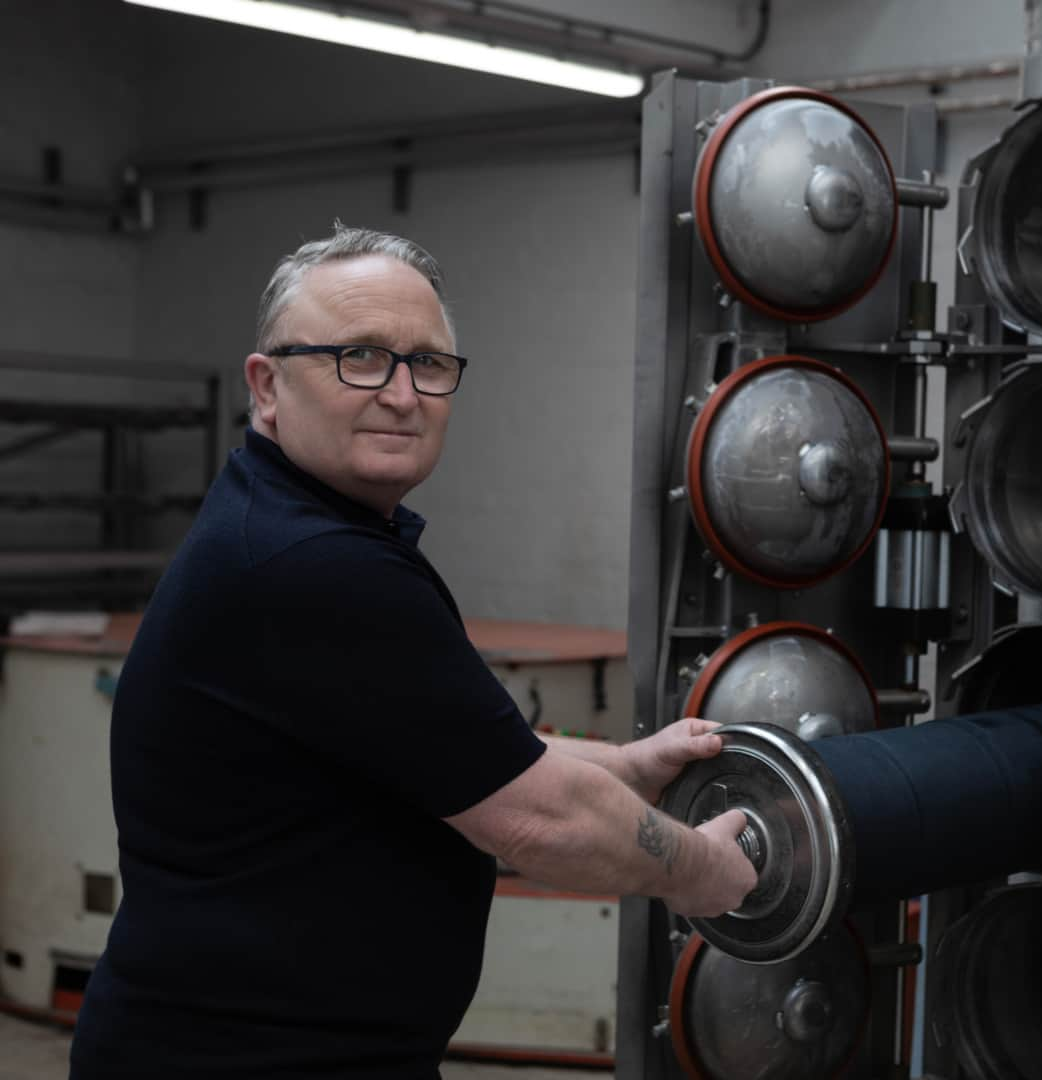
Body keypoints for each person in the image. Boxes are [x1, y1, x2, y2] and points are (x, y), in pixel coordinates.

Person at [69, 224, 756, 1079]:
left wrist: (621, 766)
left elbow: (454, 754)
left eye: (427, 364)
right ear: (267, 386)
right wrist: (702, 872)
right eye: (358, 356)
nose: (401, 393)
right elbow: (536, 817)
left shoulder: (296, 529)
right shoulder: (315, 566)